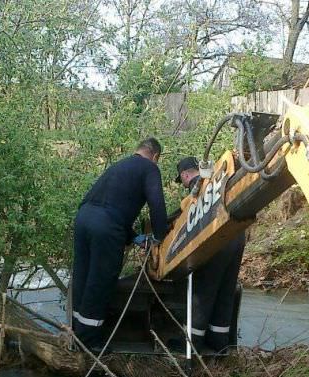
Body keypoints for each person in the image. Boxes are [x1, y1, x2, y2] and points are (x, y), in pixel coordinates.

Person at [71, 138, 168, 349]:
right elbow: (156, 204)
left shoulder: (119, 166)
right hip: (106, 226)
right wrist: (160, 235)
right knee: (101, 280)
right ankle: (91, 343)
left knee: (82, 275)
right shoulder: (149, 168)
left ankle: (76, 333)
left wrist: (133, 237)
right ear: (155, 156)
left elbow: (109, 206)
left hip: (83, 218)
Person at [176, 156, 245, 353]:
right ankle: (219, 343)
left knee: (203, 290)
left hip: (215, 237)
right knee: (225, 290)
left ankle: (191, 345)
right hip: (237, 237)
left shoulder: (198, 188)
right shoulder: (217, 179)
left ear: (185, 174)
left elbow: (191, 213)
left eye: (181, 179)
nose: (183, 183)